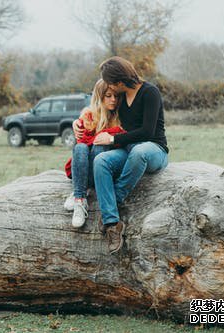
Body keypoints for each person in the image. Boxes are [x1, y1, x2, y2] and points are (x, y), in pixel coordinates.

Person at [91, 56, 169, 254]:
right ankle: (112, 223)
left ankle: (113, 203)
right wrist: (79, 121)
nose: (110, 88)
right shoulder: (121, 98)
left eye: (110, 83)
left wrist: (112, 140)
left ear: (119, 81)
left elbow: (147, 132)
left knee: (139, 151)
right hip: (128, 150)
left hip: (153, 150)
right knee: (101, 161)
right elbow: (99, 108)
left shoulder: (150, 92)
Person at [64, 79, 125, 228]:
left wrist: (105, 136)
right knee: (80, 148)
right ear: (99, 96)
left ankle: (81, 189)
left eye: (116, 96)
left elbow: (122, 136)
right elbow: (82, 139)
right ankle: (80, 199)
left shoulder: (120, 116)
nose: (113, 100)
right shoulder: (89, 115)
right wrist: (77, 124)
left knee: (99, 145)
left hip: (103, 172)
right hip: (84, 167)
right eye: (108, 96)